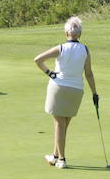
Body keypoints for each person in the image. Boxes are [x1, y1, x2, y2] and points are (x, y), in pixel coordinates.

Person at [34, 16, 98, 169]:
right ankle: (55, 156)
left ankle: (62, 159)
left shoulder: (61, 48)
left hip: (59, 87)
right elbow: (88, 73)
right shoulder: (85, 50)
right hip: (76, 90)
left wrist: (50, 73)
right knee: (63, 125)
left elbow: (38, 60)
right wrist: (95, 93)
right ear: (80, 34)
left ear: (66, 33)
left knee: (59, 124)